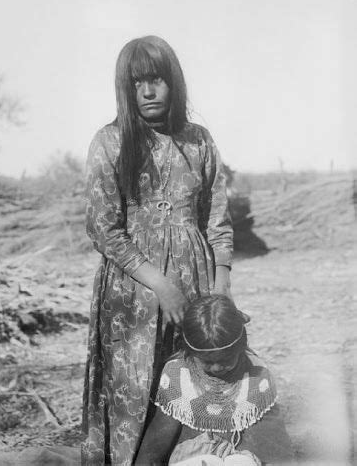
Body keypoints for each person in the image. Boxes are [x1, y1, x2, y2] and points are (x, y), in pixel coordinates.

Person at [82, 35, 234, 465]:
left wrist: (221, 286)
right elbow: (104, 230)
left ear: (174, 82)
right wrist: (161, 285)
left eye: (157, 80)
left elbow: (217, 218)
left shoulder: (199, 141)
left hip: (197, 287)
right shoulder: (110, 142)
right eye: (136, 83)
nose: (148, 92)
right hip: (133, 295)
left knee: (193, 387)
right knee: (135, 389)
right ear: (124, 89)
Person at [135, 295, 295, 465]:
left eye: (226, 360)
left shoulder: (255, 375)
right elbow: (156, 445)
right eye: (207, 362)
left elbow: (274, 447)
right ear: (190, 352)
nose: (217, 368)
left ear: (241, 347)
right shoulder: (178, 374)